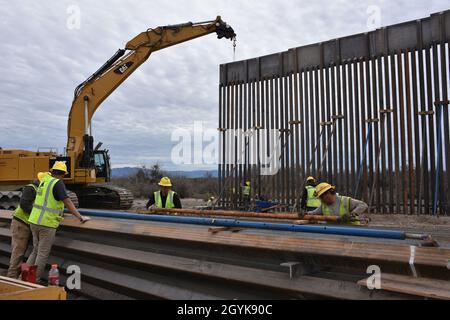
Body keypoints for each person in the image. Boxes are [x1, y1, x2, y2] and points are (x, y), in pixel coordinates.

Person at [26, 162, 90, 283]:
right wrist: (80, 217)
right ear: (63, 174)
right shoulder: (57, 182)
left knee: (35, 251)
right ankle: (33, 281)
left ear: (53, 170)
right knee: (42, 254)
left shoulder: (44, 180)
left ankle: (25, 278)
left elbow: (47, 201)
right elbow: (67, 202)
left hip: (34, 221)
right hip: (46, 223)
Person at [6, 172, 47, 278]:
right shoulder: (31, 188)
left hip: (28, 224)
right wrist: (39, 214)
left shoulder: (39, 190)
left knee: (22, 252)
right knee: (18, 252)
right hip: (21, 223)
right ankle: (11, 279)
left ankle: (20, 277)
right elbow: (24, 205)